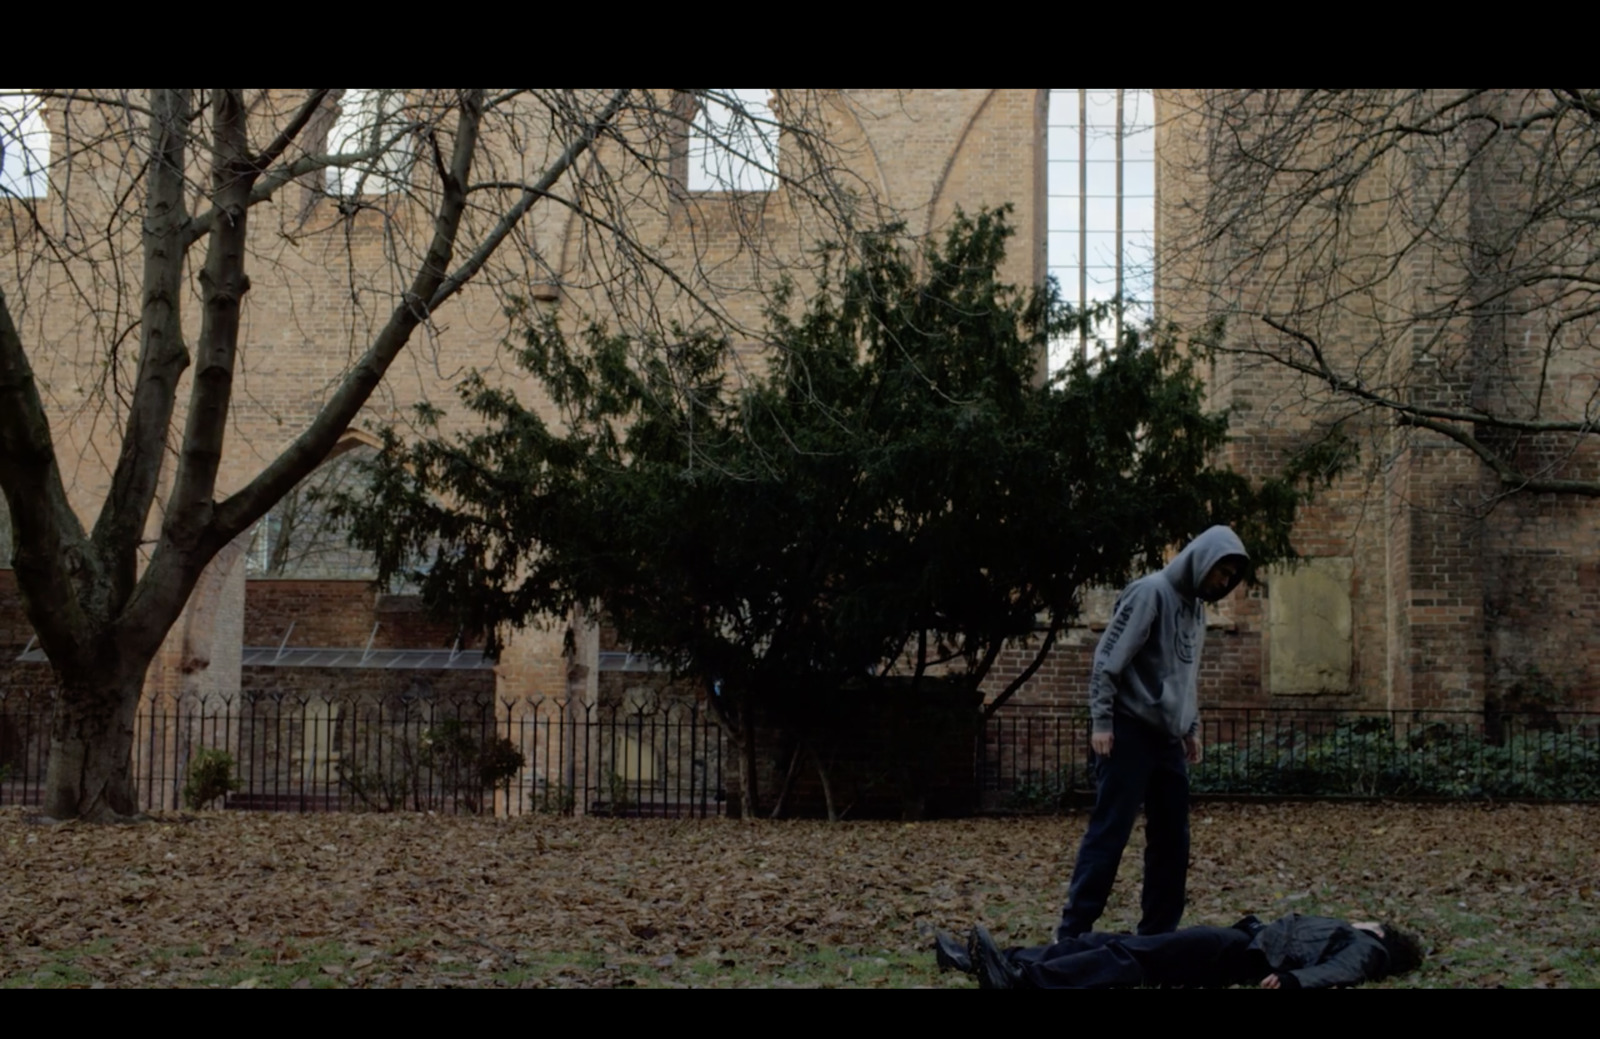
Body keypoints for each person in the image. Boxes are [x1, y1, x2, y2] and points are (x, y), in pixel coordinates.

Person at [1057, 525, 1249, 941]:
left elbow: (1185, 675)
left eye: (1232, 577)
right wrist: (1102, 722)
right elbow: (1107, 659)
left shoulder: (1195, 609)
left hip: (1167, 741)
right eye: (1222, 571)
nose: (1225, 582)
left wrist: (1190, 727)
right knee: (1110, 832)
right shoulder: (1150, 592)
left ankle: (1158, 936)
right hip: (1127, 731)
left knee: (1172, 842)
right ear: (1202, 559)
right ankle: (1071, 934)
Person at [935, 913, 1426, 989]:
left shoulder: (1367, 945)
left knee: (1133, 957)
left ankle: (1024, 981)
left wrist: (1295, 982)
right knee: (1110, 942)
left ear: (1382, 932)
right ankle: (992, 959)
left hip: (1239, 957)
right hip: (1240, 942)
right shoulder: (1355, 935)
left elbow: (1342, 969)